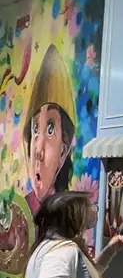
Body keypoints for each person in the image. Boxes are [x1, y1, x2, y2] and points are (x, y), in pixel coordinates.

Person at [23, 45, 78, 216]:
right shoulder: (20, 211)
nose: (38, 151)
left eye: (50, 129)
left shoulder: (69, 213)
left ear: (63, 151)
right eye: (35, 129)